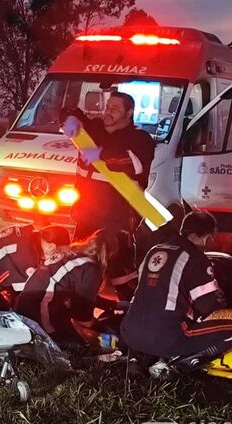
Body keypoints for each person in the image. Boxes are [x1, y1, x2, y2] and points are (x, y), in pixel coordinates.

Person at [120, 211, 232, 379]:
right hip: (164, 337)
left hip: (129, 331)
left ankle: (135, 359)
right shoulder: (195, 258)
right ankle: (173, 367)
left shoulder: (154, 250)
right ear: (206, 237)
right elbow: (210, 306)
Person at [62, 92, 156, 300]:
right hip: (86, 210)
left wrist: (95, 151)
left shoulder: (140, 139)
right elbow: (69, 121)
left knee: (120, 267)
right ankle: (70, 304)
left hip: (117, 214)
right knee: (77, 261)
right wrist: (70, 118)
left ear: (129, 113)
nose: (108, 112)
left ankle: (130, 308)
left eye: (115, 108)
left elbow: (123, 161)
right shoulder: (94, 128)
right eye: (107, 107)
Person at [15, 229, 119, 343]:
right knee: (96, 339)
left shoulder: (72, 253)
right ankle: (117, 347)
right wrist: (100, 329)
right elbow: (82, 317)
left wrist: (114, 305)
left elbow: (81, 297)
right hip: (38, 319)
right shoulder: (90, 269)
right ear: (111, 253)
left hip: (26, 310)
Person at [0, 224, 71, 311]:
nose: (57, 258)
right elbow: (26, 295)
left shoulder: (27, 234)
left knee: (5, 309)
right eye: (59, 253)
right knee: (0, 320)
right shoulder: (26, 261)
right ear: (51, 247)